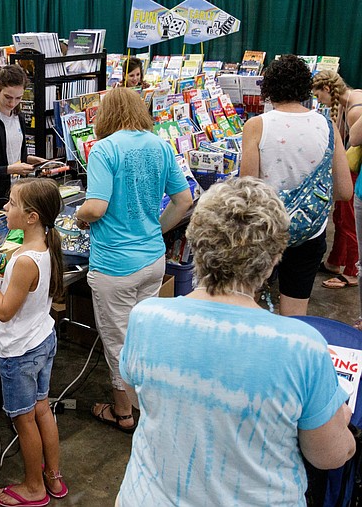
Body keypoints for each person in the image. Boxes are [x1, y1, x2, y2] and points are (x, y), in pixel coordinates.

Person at [117, 177, 356, 506]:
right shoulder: (301, 346)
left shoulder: (146, 317)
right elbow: (330, 455)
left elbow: (139, 399)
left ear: (195, 241)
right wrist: (339, 423)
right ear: (274, 257)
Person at [76, 87, 192, 433]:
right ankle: (148, 402)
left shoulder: (104, 150)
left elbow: (95, 207)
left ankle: (124, 413)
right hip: (152, 258)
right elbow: (183, 200)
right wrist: (155, 229)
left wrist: (81, 216)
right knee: (143, 338)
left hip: (115, 265)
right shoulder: (160, 145)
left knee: (118, 344)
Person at [0, 178, 68, 506]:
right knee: (43, 410)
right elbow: (26, 286)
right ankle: (52, 477)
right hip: (42, 340)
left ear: (31, 217)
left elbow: (3, 310)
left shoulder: (25, 260)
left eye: (11, 203)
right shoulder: (44, 246)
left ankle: (33, 487)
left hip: (20, 353)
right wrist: (0, 263)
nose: (5, 207)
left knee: (23, 419)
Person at [240, 54, 352, 316]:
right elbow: (345, 190)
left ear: (267, 88)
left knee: (248, 306)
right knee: (295, 316)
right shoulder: (327, 125)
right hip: (310, 233)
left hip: (265, 231)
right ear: (305, 88)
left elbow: (248, 191)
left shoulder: (256, 126)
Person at [0, 65, 46, 223]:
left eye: (18, 98)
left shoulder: (18, 117)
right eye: (8, 97)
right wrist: (10, 169)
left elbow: (11, 153)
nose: (13, 103)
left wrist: (31, 160)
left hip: (16, 202)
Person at [312, 71, 362, 289]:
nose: (318, 101)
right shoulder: (349, 98)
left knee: (348, 218)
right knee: (341, 215)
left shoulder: (353, 109)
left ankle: (351, 271)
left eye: (318, 96)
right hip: (353, 168)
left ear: (327, 90)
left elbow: (352, 145)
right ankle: (335, 261)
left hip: (355, 170)